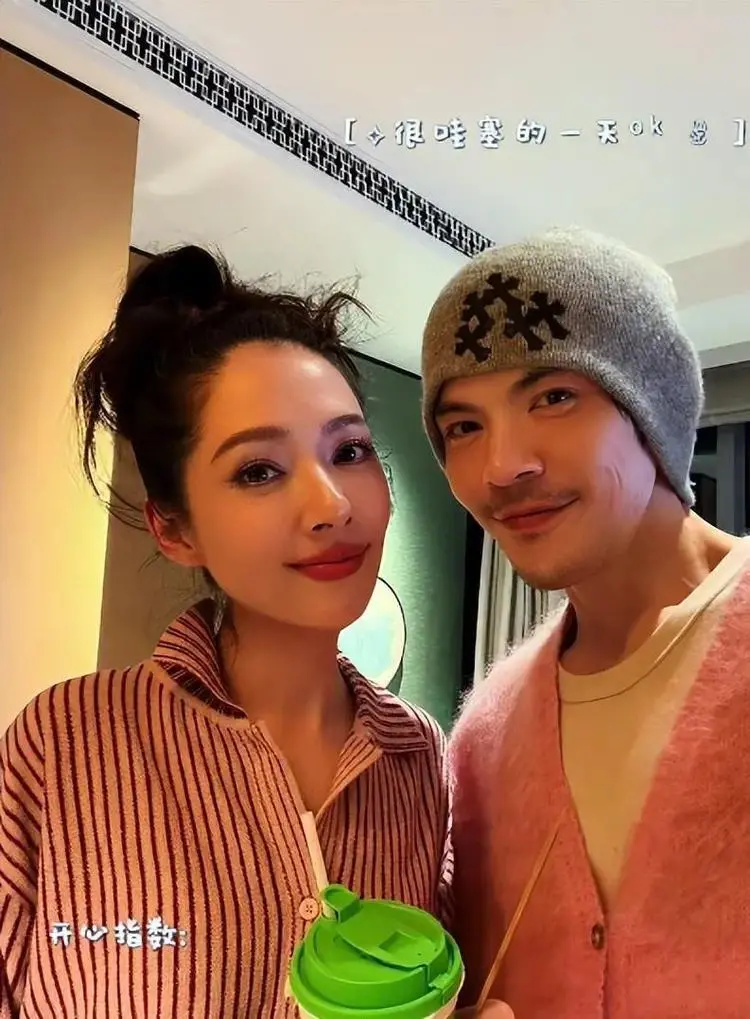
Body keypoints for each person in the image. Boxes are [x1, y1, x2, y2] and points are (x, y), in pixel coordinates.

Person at [0, 245, 469, 1018]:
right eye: (259, 470)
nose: (332, 505)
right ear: (175, 528)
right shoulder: (63, 745)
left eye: (349, 451)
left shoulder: (418, 759)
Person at [420, 226, 750, 1018]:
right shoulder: (484, 739)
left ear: (650, 408)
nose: (503, 466)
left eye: (554, 397)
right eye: (463, 426)